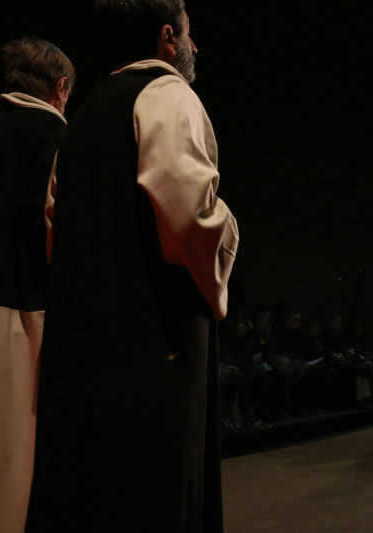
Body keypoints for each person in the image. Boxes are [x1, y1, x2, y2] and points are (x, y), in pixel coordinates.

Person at [25, 2, 239, 531]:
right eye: (189, 34)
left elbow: (54, 227)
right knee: (155, 489)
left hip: (85, 338)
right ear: (167, 37)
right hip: (155, 333)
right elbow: (189, 215)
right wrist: (229, 229)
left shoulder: (81, 118)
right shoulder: (167, 93)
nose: (195, 47)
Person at [0, 37, 74, 533]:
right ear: (61, 87)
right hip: (22, 311)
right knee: (13, 458)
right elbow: (59, 232)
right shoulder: (54, 133)